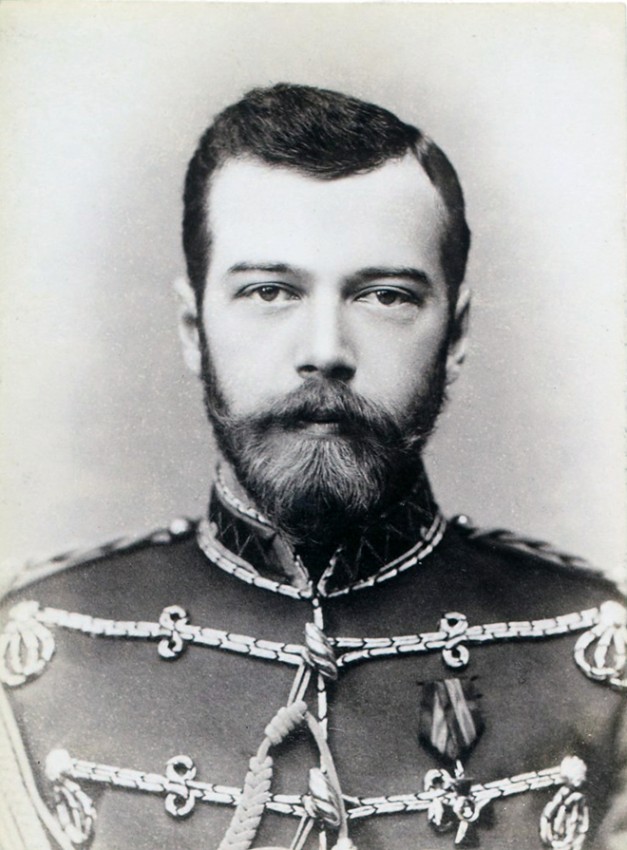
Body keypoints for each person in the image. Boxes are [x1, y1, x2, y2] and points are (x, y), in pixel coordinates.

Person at [0, 84, 624, 850]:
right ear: (194, 328)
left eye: (384, 296)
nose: (325, 349)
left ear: (455, 336)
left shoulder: (596, 658)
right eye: (269, 291)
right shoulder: (36, 660)